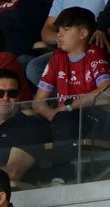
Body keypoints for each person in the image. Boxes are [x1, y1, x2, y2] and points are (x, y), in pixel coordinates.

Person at [31, 5, 110, 158]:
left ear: (83, 33)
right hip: (63, 121)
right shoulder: (57, 57)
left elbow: (104, 91)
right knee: (27, 123)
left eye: (65, 30)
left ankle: (62, 175)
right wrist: (55, 116)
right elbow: (38, 102)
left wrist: (66, 108)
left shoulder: (94, 53)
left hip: (90, 118)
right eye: (58, 30)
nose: (58, 35)